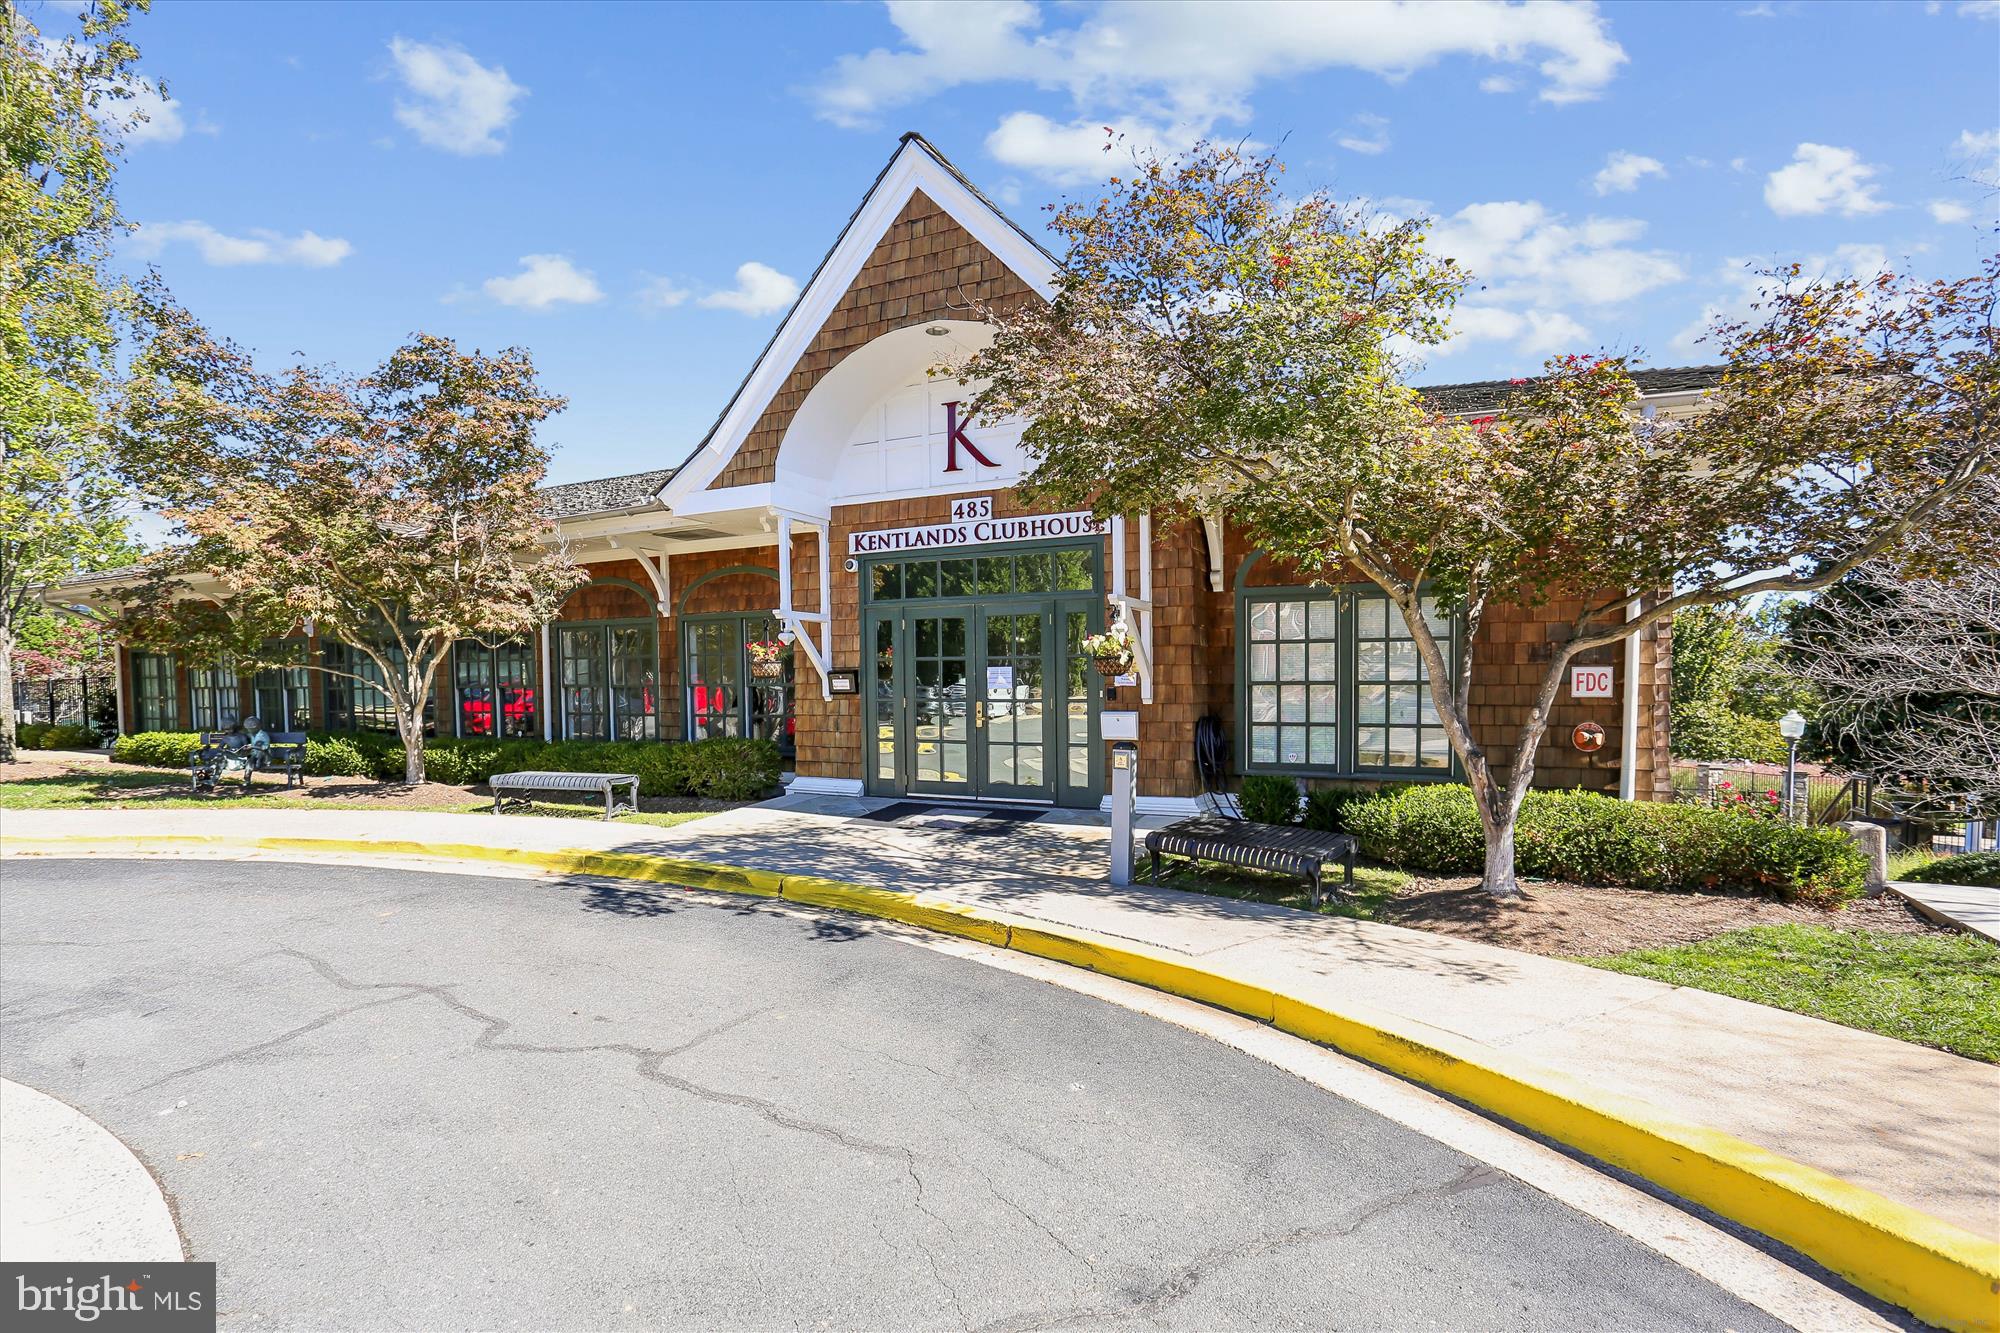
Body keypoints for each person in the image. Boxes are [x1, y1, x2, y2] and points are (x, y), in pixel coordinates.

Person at [218, 715, 271, 782]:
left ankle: (247, 777)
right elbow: (221, 747)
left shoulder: (263, 735)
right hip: (252, 755)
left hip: (262, 756)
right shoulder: (251, 734)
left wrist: (251, 747)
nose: (248, 730)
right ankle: (211, 779)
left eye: (250, 728)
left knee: (250, 759)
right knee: (250, 759)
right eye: (248, 728)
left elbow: (264, 748)